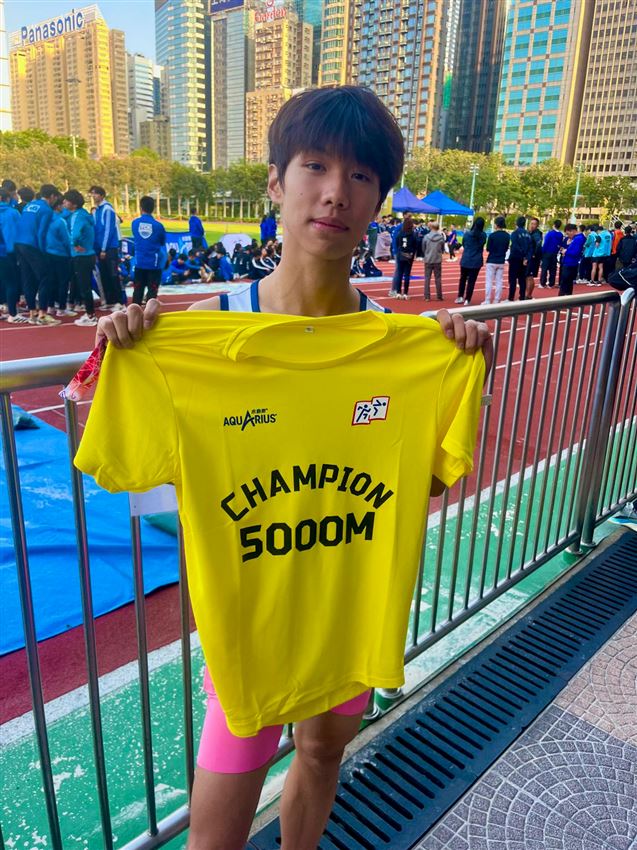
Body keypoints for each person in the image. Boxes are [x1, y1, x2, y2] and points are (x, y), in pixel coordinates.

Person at [89, 86, 493, 850]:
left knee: (321, 752)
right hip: (250, 630)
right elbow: (151, 485)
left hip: (351, 619)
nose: (337, 191)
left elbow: (419, 485)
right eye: (315, 166)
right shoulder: (205, 334)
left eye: (361, 175)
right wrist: (137, 363)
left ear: (379, 202)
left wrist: (459, 373)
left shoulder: (403, 350)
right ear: (275, 183)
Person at [14, 183, 60, 325]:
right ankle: (43, 314)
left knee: (28, 277)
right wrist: (43, 252)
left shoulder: (30, 205)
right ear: (52, 196)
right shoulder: (47, 210)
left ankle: (32, 312)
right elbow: (42, 233)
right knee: (46, 276)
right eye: (55, 198)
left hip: (19, 243)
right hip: (32, 245)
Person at [63, 190, 98, 327]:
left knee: (84, 286)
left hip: (81, 255)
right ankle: (89, 313)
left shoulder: (77, 216)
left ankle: (90, 315)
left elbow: (75, 234)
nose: (64, 202)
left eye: (66, 200)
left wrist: (75, 244)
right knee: (84, 285)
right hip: (88, 254)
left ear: (73, 204)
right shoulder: (84, 215)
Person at [89, 186, 122, 310]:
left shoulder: (107, 209)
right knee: (104, 275)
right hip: (99, 248)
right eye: (92, 194)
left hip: (109, 248)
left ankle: (119, 301)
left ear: (102, 195)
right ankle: (109, 300)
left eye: (96, 194)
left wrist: (104, 248)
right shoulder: (96, 210)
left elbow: (108, 229)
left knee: (113, 274)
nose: (93, 196)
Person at [131, 195, 167, 306]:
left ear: (141, 207)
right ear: (153, 208)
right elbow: (162, 242)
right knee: (152, 291)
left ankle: (134, 312)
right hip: (154, 263)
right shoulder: (158, 226)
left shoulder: (135, 223)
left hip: (140, 262)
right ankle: (149, 314)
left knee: (137, 290)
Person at [45, 195, 75, 317]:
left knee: (51, 280)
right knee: (63, 282)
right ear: (58, 206)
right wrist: (70, 253)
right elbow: (66, 240)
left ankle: (50, 306)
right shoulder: (60, 221)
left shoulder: (46, 219)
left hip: (48, 253)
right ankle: (62, 308)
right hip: (61, 254)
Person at [0, 187, 26, 323]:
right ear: (7, 198)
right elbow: (18, 231)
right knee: (11, 282)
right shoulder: (12, 213)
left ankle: (4, 307)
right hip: (7, 252)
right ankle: (13, 314)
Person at [455, 217, 486, 305]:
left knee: (463, 279)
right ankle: (467, 299)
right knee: (471, 281)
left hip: (466, 259)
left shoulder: (467, 234)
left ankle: (460, 296)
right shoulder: (483, 235)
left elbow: (464, 244)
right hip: (476, 261)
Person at [483, 215, 510, 305]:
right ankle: (497, 300)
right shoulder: (507, 236)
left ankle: (487, 300)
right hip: (501, 260)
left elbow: (488, 248)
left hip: (491, 260)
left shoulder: (492, 235)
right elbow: (506, 248)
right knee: (499, 281)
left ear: (496, 224)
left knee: (489, 281)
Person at [390, 215, 418, 300]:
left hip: (400, 255)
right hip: (409, 256)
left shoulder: (400, 233)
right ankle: (405, 293)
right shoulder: (413, 234)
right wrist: (413, 253)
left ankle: (398, 292)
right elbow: (415, 245)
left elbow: (397, 243)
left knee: (399, 273)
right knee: (407, 275)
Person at [507, 215, 532, 302]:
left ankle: (511, 297)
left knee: (513, 279)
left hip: (515, 258)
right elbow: (530, 248)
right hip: (524, 260)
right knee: (522, 279)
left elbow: (515, 246)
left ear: (516, 223)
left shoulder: (515, 233)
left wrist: (522, 254)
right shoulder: (528, 234)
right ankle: (522, 297)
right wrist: (526, 257)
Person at [558, 223, 586, 296]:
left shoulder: (578, 239)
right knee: (568, 283)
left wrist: (566, 251)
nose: (568, 235)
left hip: (570, 262)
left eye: (568, 233)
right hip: (571, 262)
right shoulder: (578, 238)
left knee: (565, 282)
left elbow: (575, 252)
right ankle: (567, 296)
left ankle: (561, 298)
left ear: (573, 231)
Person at [422, 222, 446, 300]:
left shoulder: (426, 237)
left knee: (427, 278)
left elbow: (423, 248)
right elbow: (442, 249)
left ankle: (427, 296)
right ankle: (439, 296)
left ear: (431, 227)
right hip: (437, 260)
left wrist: (427, 254)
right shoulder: (441, 238)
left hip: (428, 259)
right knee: (438, 278)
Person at [540, 219, 563, 289]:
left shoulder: (550, 233)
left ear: (554, 225)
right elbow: (560, 244)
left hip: (547, 252)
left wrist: (542, 253)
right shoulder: (560, 234)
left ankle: (543, 283)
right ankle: (551, 283)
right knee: (553, 269)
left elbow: (545, 243)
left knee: (544, 269)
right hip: (554, 253)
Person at [526, 217, 542, 298]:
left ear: (537, 225)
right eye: (531, 223)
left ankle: (528, 295)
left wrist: (533, 254)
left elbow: (538, 244)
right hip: (530, 257)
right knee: (527, 276)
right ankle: (527, 294)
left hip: (533, 259)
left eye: (534, 224)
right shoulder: (530, 233)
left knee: (529, 276)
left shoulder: (537, 234)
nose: (532, 225)